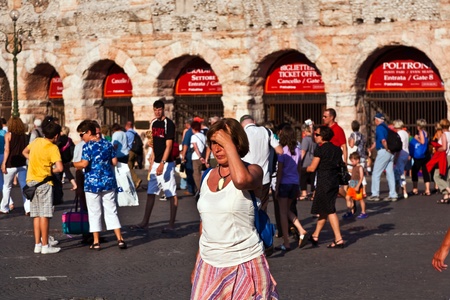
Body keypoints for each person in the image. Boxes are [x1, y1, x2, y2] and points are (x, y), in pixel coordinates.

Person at [190, 118, 278, 299]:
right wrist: (197, 263)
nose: (217, 148)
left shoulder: (254, 171)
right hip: (208, 264)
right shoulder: (207, 176)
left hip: (245, 262)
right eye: (214, 142)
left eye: (222, 142)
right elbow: (205, 224)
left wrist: (229, 145)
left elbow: (240, 181)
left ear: (237, 143)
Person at [73, 120, 127, 251]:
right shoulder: (108, 144)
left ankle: (96, 241)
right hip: (108, 181)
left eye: (82, 134)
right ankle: (120, 239)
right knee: (111, 210)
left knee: (94, 212)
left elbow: (84, 164)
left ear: (89, 132)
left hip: (92, 183)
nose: (81, 137)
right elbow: (114, 162)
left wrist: (74, 164)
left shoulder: (88, 146)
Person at [132, 99, 179, 232]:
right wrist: (152, 159)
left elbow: (169, 146)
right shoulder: (153, 122)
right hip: (156, 162)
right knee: (151, 192)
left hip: (167, 163)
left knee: (171, 193)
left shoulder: (168, 124)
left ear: (163, 109)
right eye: (155, 110)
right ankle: (145, 222)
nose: (157, 112)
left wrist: (162, 164)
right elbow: (154, 142)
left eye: (159, 110)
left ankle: (171, 224)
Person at [22, 121, 63, 254]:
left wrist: (34, 160)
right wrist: (49, 168)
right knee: (44, 215)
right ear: (56, 136)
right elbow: (60, 168)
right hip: (44, 182)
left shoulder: (37, 141)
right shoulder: (53, 148)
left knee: (36, 215)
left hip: (32, 182)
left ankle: (37, 244)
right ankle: (45, 246)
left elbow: (25, 152)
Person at [306, 125, 345, 248]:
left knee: (330, 210)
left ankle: (338, 239)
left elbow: (312, 168)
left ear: (322, 137)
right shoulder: (337, 149)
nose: (315, 136)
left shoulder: (320, 149)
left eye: (317, 134)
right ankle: (315, 235)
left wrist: (300, 169)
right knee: (324, 209)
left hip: (324, 181)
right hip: (334, 181)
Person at [275, 125, 309, 251]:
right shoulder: (298, 151)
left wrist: (277, 187)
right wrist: (299, 185)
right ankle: (301, 229)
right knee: (288, 210)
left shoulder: (282, 151)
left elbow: (280, 171)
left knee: (283, 212)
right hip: (294, 183)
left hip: (284, 183)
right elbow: (299, 168)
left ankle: (286, 242)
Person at [240, 114, 283, 212]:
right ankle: (262, 227)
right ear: (254, 122)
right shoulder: (266, 131)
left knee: (247, 210)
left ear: (241, 124)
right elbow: (280, 150)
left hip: (247, 177)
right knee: (262, 209)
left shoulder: (242, 134)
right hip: (264, 178)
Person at [0, 117, 29, 215]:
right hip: (22, 163)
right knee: (24, 186)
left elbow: (7, 150)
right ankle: (28, 208)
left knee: (7, 186)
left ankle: (4, 207)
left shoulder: (8, 135)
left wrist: (4, 163)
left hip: (10, 164)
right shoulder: (25, 136)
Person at [367, 113, 398, 202]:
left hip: (384, 151)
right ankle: (393, 194)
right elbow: (378, 141)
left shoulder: (379, 128)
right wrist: (372, 148)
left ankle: (375, 194)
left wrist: (387, 148)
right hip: (391, 152)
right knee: (390, 173)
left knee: (376, 173)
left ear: (377, 120)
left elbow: (383, 140)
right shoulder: (386, 128)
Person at [409, 119, 431, 196]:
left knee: (414, 171)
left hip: (420, 155)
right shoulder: (426, 132)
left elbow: (422, 142)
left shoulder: (421, 132)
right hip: (425, 154)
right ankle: (427, 189)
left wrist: (416, 138)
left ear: (418, 126)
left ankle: (415, 189)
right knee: (425, 172)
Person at [430, 119, 450, 203]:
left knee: (436, 176)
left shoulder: (444, 135)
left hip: (444, 157)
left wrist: (437, 148)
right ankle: (446, 196)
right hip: (449, 156)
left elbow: (444, 147)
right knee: (447, 176)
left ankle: (448, 190)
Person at [343, 152, 367, 219]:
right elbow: (352, 171)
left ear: (357, 160)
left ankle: (363, 212)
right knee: (347, 197)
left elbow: (361, 177)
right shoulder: (354, 166)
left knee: (360, 199)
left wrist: (358, 186)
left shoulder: (360, 167)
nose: (352, 162)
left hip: (357, 184)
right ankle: (349, 212)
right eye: (351, 161)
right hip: (352, 184)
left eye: (353, 161)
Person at [348, 120, 368, 197]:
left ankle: (352, 188)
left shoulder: (353, 134)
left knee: (353, 173)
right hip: (362, 156)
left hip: (356, 155)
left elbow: (352, 145)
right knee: (361, 173)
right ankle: (364, 191)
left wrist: (349, 140)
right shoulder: (362, 135)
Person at [392, 120, 410, 199]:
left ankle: (401, 190)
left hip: (400, 154)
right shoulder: (405, 133)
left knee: (398, 173)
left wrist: (396, 157)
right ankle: (401, 191)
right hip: (406, 154)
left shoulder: (398, 134)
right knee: (400, 171)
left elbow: (399, 146)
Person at [299, 122, 316, 200]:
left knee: (303, 178)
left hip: (306, 162)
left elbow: (303, 151)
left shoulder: (305, 139)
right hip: (313, 161)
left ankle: (304, 193)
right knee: (313, 178)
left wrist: (299, 160)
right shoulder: (314, 139)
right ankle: (313, 194)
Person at [190, 121, 207, 194]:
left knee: (196, 174)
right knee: (202, 173)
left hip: (196, 157)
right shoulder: (203, 136)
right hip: (203, 156)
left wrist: (199, 156)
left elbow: (195, 147)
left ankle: (200, 189)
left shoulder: (194, 136)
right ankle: (203, 187)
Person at [125, 120, 142, 188]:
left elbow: (125, 143)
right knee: (131, 167)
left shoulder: (127, 133)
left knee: (129, 168)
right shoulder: (135, 133)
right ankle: (132, 183)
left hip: (130, 151)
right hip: (135, 152)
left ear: (127, 126)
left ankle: (137, 180)